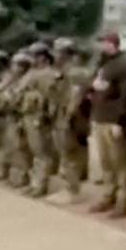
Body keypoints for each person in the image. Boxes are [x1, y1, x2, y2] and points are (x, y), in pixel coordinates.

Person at [88, 31, 126, 218]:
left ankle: (124, 201)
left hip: (114, 119)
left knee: (120, 162)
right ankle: (109, 195)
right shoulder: (104, 62)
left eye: (104, 43)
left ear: (112, 43)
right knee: (106, 162)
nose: (101, 47)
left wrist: (120, 120)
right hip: (100, 116)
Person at [18, 43, 60, 198]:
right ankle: (35, 182)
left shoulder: (49, 74)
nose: (31, 60)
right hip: (27, 114)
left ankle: (41, 184)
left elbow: (51, 99)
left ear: (42, 58)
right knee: (34, 151)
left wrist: (44, 117)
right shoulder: (32, 73)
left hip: (38, 117)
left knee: (42, 152)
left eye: (34, 56)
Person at [0, 51, 33, 183]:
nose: (16, 68)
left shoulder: (26, 80)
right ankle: (5, 171)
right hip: (4, 115)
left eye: (19, 65)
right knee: (5, 146)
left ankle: (23, 176)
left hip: (19, 116)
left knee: (20, 148)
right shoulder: (8, 78)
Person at [54, 38, 92, 190]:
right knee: (72, 150)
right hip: (71, 115)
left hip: (74, 117)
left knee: (71, 151)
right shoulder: (68, 70)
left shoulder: (75, 72)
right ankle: (74, 183)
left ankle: (73, 188)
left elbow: (76, 96)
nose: (55, 55)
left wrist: (68, 116)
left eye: (58, 52)